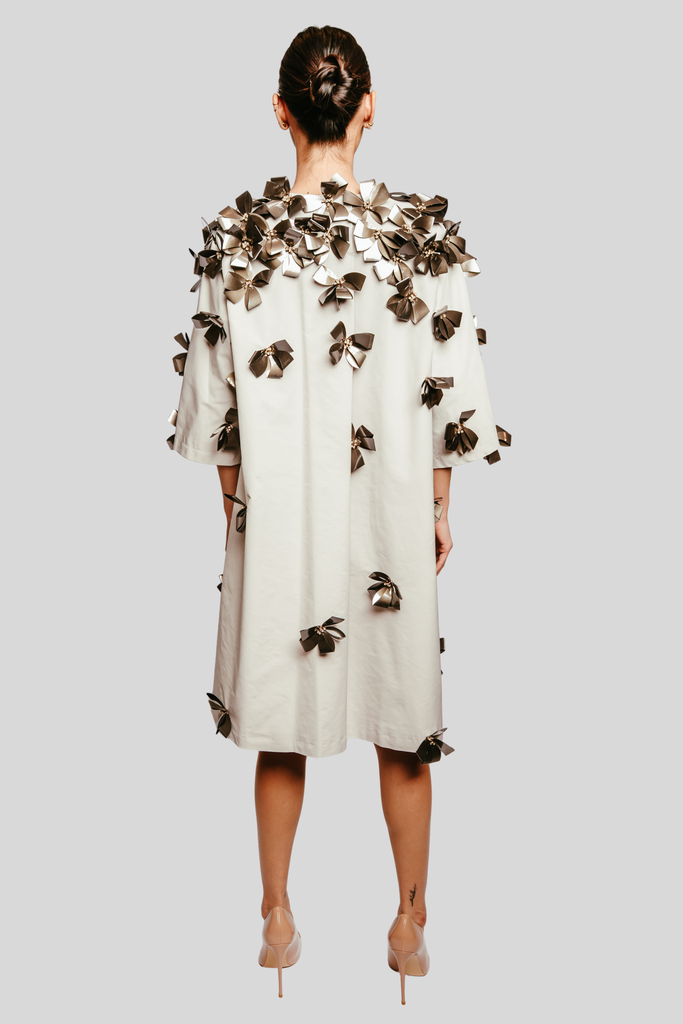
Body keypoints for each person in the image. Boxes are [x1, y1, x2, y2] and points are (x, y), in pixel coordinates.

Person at [168, 24, 508, 1004]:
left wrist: (237, 513)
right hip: (390, 508)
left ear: (281, 110)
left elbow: (213, 407)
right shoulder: (420, 238)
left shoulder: (233, 237)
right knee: (403, 718)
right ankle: (408, 923)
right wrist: (438, 505)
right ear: (367, 108)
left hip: (279, 514)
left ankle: (276, 916)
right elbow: (452, 386)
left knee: (283, 717)